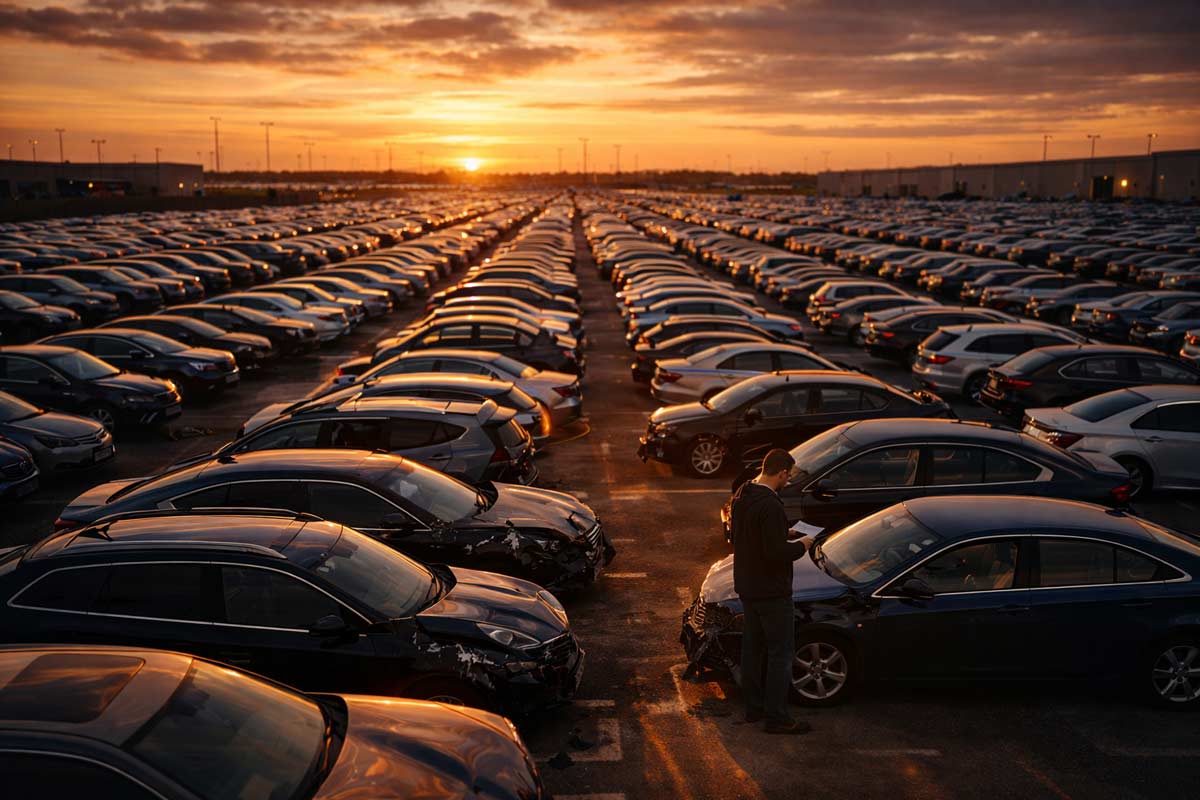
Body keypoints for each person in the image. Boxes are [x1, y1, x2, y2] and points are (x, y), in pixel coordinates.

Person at [730, 448, 811, 735]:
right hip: (772, 593)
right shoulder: (772, 506)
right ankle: (777, 717)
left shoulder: (743, 494)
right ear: (782, 472)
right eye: (788, 475)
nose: (788, 480)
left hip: (748, 587)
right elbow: (777, 554)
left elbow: (742, 536)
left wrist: (780, 533)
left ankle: (753, 708)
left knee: (752, 649)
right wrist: (803, 544)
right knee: (780, 654)